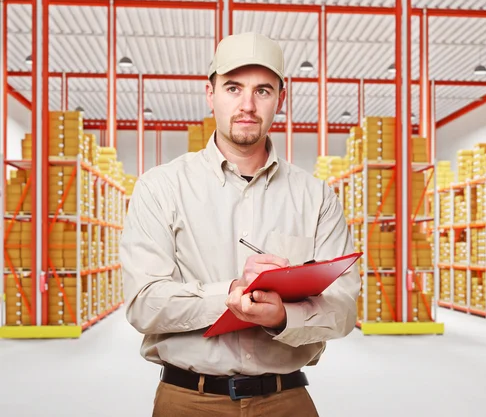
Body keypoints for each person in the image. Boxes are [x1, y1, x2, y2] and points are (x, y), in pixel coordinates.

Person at [119, 31, 360, 417]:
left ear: (281, 99)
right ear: (210, 93)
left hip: (286, 400)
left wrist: (284, 317)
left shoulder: (316, 198)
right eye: (233, 87)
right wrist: (230, 295)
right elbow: (143, 303)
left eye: (263, 90)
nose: (247, 104)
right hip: (188, 401)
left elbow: (344, 308)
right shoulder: (160, 188)